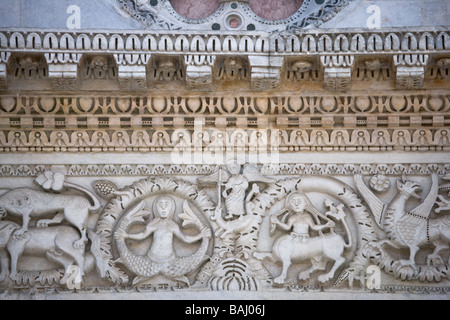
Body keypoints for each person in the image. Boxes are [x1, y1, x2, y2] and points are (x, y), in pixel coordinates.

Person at [124, 195, 206, 263]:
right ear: (156, 208)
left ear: (171, 208)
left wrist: (201, 235)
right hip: (152, 257)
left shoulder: (172, 225)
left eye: (166, 205)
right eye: (160, 205)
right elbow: (142, 235)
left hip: (169, 258)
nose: (163, 208)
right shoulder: (153, 223)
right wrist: (126, 235)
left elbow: (185, 238)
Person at [270, 192, 334, 243]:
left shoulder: (307, 217)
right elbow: (287, 227)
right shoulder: (292, 217)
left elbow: (314, 227)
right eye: (293, 202)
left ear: (305, 204)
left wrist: (326, 225)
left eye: (299, 201)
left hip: (305, 239)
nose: (296, 204)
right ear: (289, 205)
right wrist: (277, 222)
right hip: (294, 238)